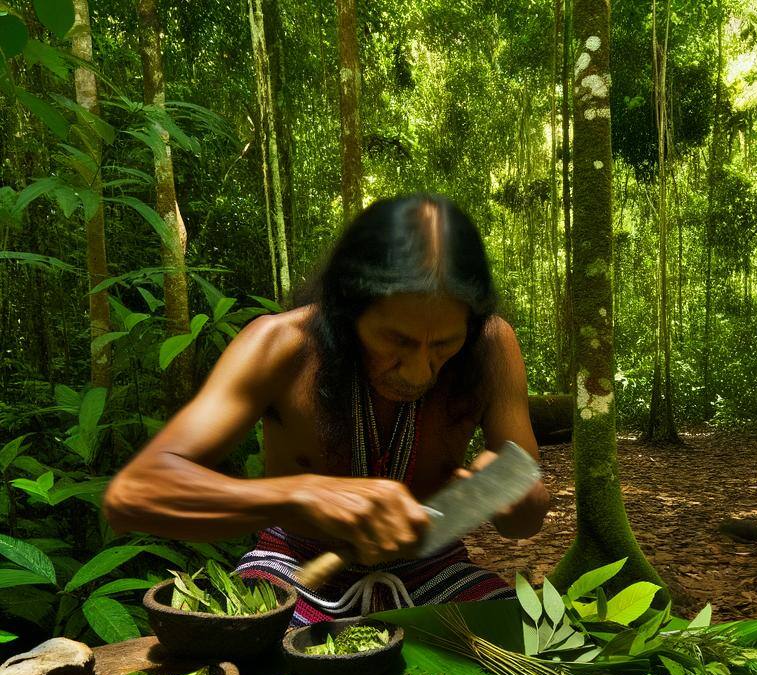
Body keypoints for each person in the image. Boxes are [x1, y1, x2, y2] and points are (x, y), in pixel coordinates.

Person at [103, 194, 550, 624]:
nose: (417, 373)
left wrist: (516, 500)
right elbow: (136, 494)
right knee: (243, 662)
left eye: (443, 344)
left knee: (542, 643)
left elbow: (523, 525)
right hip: (294, 565)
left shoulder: (489, 346)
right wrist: (299, 494)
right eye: (396, 341)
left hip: (432, 567)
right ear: (348, 309)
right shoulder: (280, 344)